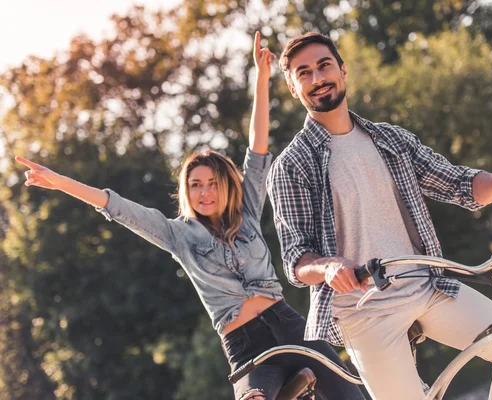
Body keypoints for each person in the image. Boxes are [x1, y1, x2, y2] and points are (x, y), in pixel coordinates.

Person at [16, 32, 365, 400]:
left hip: (290, 329)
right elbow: (114, 206)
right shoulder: (177, 236)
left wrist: (261, 79)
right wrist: (58, 182)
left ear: (226, 186)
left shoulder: (246, 210)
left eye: (212, 183)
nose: (205, 192)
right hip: (248, 351)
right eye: (196, 185)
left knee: (354, 394)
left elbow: (257, 148)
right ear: (187, 191)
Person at [266, 32, 492, 400]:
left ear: (343, 69)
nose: (317, 79)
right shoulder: (291, 166)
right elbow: (296, 259)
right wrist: (327, 268)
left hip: (427, 287)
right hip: (364, 312)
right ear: (293, 88)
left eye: (324, 66)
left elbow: (460, 184)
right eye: (303, 73)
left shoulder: (391, 140)